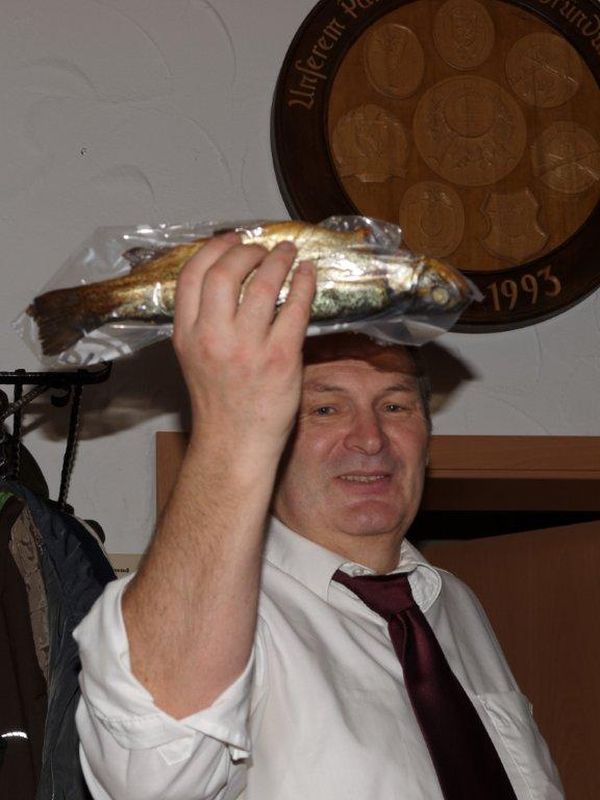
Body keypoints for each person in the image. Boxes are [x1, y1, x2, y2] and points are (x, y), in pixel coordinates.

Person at [74, 235, 564, 799]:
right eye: (325, 409)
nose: (370, 438)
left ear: (428, 438)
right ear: (270, 432)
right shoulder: (224, 618)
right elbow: (149, 778)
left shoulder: (455, 603)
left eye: (395, 406)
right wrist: (230, 429)